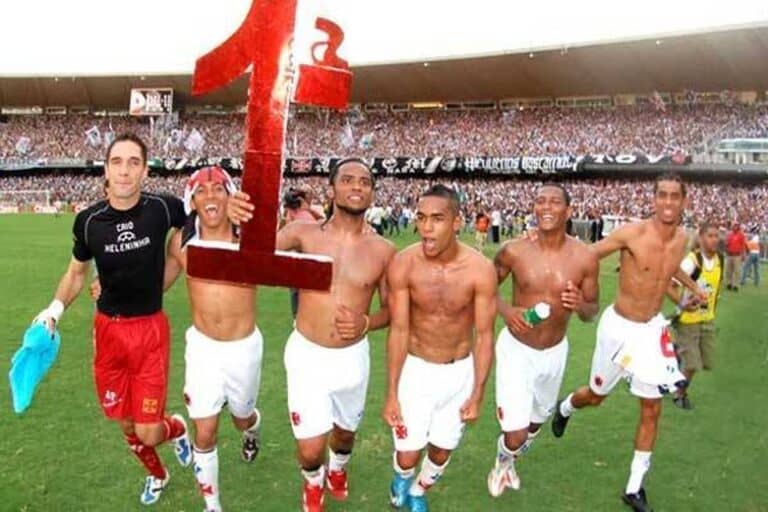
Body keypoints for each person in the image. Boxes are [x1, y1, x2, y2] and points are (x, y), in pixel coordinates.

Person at [32, 133, 192, 506]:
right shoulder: (89, 222)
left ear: (144, 170)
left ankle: (178, 428)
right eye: (117, 161)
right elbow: (75, 274)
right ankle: (159, 476)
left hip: (150, 331)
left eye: (133, 162)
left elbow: (192, 228)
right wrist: (53, 310)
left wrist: (170, 268)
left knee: (149, 431)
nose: (124, 170)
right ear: (106, 169)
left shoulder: (163, 208)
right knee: (126, 424)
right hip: (108, 333)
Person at [229, 158, 396, 512]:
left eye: (364, 182)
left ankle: (338, 470)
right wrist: (240, 214)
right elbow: (253, 256)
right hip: (307, 355)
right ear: (331, 188)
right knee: (309, 449)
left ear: (372, 192)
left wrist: (367, 323)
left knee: (345, 434)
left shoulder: (383, 250)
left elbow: (394, 311)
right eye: (347, 180)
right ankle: (313, 484)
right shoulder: (302, 234)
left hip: (352, 358)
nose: (356, 186)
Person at [550, 173, 707, 511]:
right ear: (653, 199)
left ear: (684, 201)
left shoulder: (683, 238)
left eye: (674, 196)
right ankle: (565, 407)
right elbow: (588, 255)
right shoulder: (632, 233)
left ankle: (634, 488)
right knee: (595, 396)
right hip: (618, 329)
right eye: (661, 195)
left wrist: (692, 291)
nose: (667, 202)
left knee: (652, 408)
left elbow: (666, 272)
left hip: (652, 331)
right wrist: (574, 284)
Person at [383, 184, 497, 512]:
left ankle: (418, 490)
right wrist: (391, 392)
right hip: (415, 371)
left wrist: (477, 392)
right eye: (421, 218)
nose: (426, 227)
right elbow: (400, 329)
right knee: (407, 454)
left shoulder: (479, 270)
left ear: (457, 222)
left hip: (459, 372)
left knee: (441, 452)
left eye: (437, 219)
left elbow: (485, 335)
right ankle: (401, 479)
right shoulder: (404, 264)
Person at [487, 184, 599, 496]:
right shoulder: (514, 250)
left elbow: (592, 311)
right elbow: (483, 286)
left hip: (555, 352)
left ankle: (510, 461)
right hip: (517, 349)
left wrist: (580, 305)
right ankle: (502, 464)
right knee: (515, 435)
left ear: (569, 211)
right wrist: (507, 311)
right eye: (540, 201)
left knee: (537, 421)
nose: (546, 207)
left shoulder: (585, 258)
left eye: (554, 202)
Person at [166, 167, 263, 512]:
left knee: (241, 417)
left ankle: (252, 428)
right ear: (191, 200)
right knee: (204, 433)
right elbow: (157, 283)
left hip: (243, 348)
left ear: (230, 195)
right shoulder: (181, 241)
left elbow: (280, 234)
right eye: (201, 191)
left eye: (217, 189)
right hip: (203, 348)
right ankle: (213, 505)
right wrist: (114, 288)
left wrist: (256, 216)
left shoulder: (250, 238)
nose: (210, 196)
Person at [667, 221, 724, 411]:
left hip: (707, 319)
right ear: (700, 237)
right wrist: (683, 304)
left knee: (707, 362)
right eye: (710, 235)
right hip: (688, 320)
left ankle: (674, 351)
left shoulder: (720, 261)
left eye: (717, 236)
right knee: (693, 364)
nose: (715, 240)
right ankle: (679, 394)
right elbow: (670, 285)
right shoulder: (692, 262)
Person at [724, 222, 747, 291]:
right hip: (729, 254)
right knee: (728, 270)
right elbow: (726, 244)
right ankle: (729, 283)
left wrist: (743, 255)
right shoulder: (729, 234)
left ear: (738, 227)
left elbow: (743, 245)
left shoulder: (741, 235)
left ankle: (736, 285)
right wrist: (726, 248)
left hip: (737, 255)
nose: (735, 227)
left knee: (737, 271)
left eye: (736, 226)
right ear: (732, 227)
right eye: (734, 226)